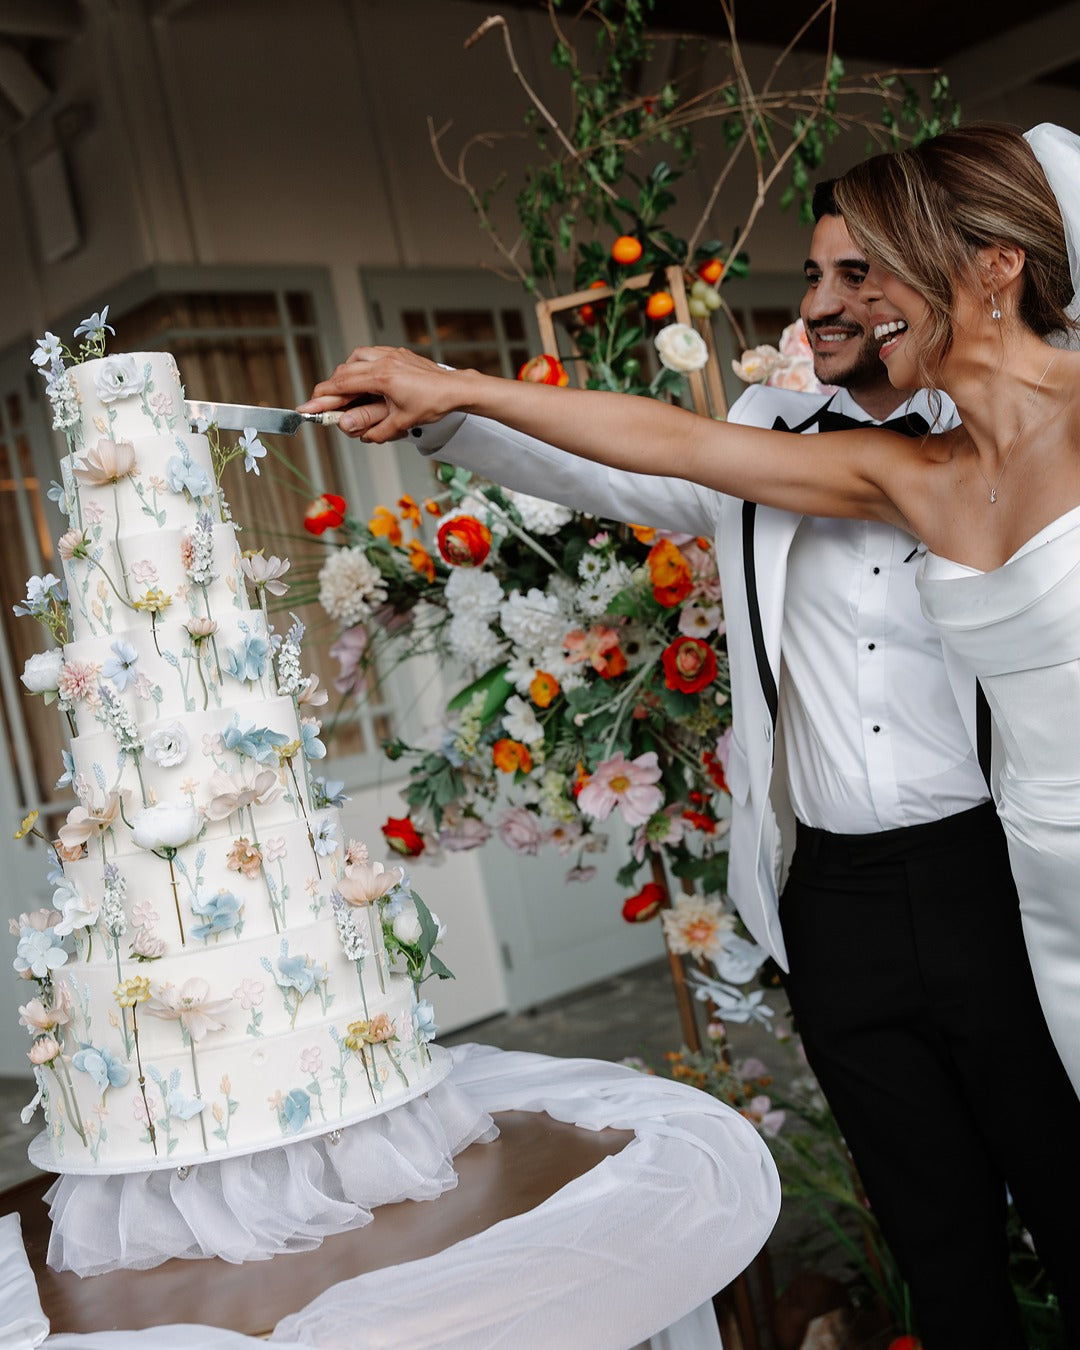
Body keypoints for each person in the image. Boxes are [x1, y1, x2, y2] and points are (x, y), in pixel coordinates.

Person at [302, 148, 1080, 1348]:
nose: (841, 304)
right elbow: (658, 443)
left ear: (990, 267)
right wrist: (451, 387)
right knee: (942, 1243)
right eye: (824, 275)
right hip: (855, 893)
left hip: (1016, 885)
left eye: (870, 273)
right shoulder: (907, 471)